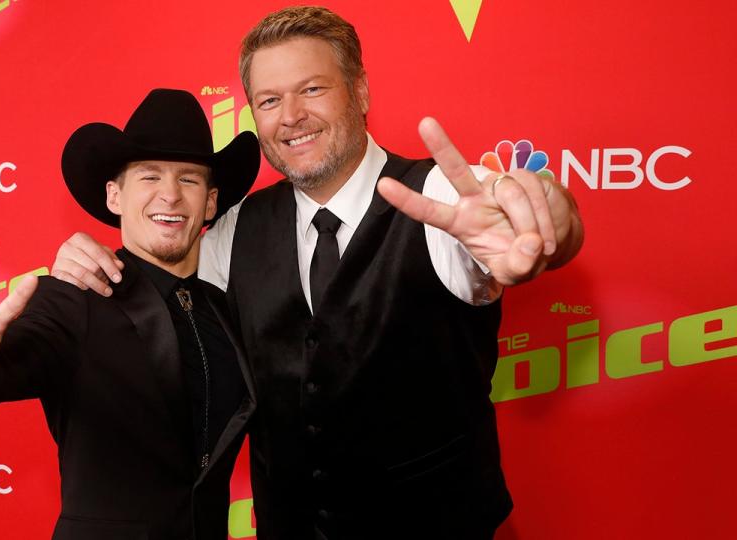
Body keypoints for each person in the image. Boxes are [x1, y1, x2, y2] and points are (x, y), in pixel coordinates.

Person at [51, 7, 585, 539]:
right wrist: (88, 260)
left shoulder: (442, 199)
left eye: (311, 90)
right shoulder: (237, 227)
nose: (290, 116)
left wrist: (545, 221)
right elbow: (158, 278)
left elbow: (531, 224)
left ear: (361, 91)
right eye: (269, 100)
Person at [0, 89, 261, 540]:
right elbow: (16, 352)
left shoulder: (227, 310)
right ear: (114, 197)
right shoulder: (72, 299)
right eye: (149, 178)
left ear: (210, 204)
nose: (170, 195)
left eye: (189, 180)